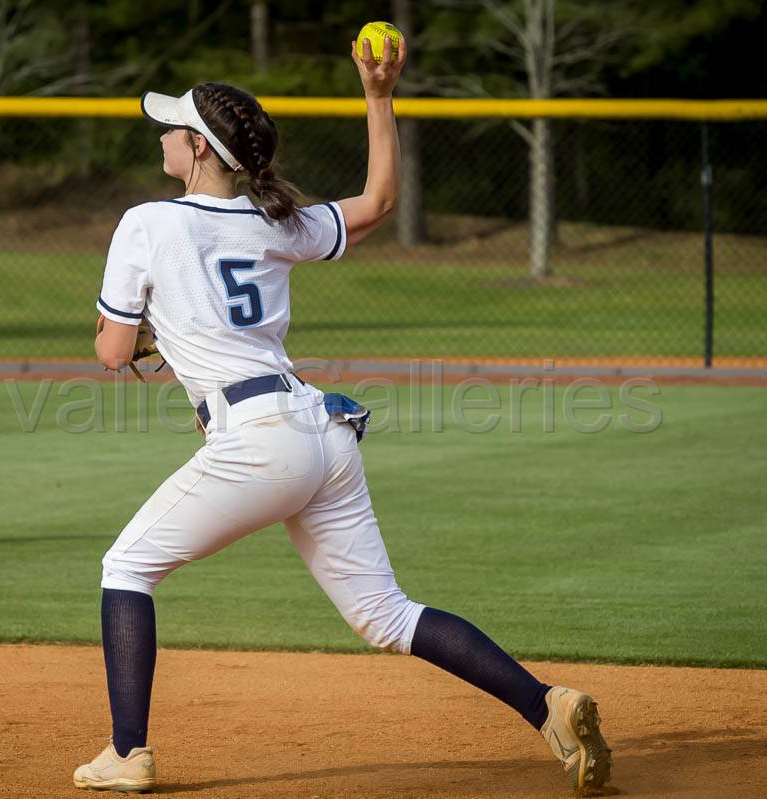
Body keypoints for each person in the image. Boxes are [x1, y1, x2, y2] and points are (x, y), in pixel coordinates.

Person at [76, 34, 611, 796]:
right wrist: (379, 95)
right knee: (387, 614)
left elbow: (111, 349)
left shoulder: (146, 223)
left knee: (126, 567)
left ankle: (128, 753)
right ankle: (548, 704)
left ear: (197, 149)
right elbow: (379, 203)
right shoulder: (272, 221)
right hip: (320, 431)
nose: (161, 135)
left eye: (172, 127)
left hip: (257, 441)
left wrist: (135, 335)